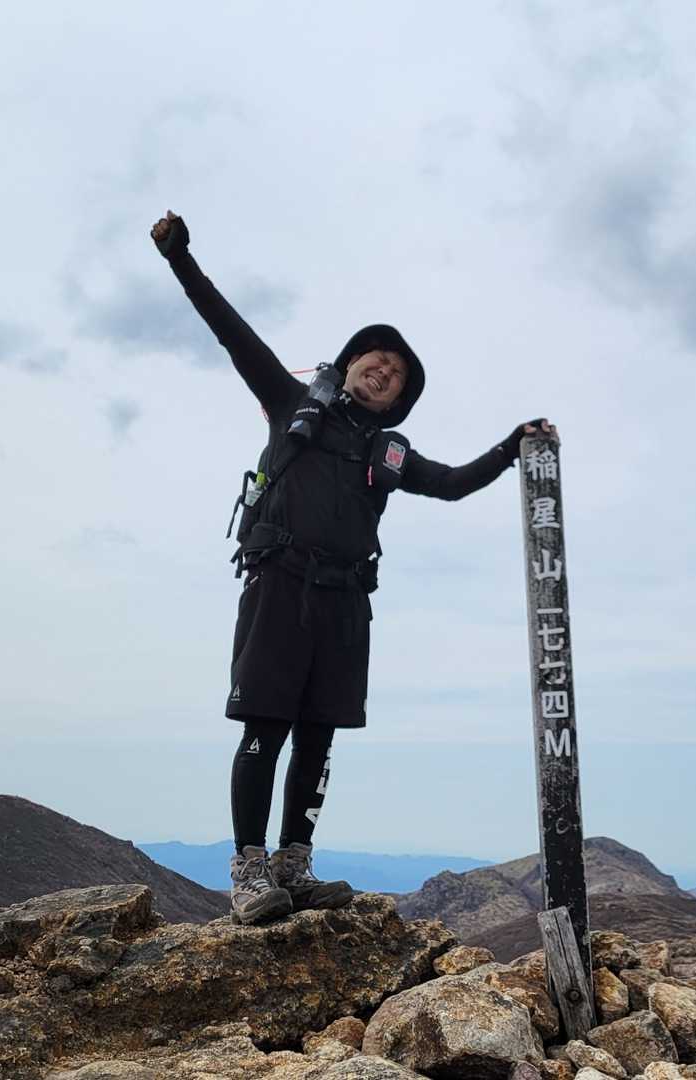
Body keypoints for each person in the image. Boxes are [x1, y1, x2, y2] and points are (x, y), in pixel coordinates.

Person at [151, 211, 554, 925]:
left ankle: (293, 866)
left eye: (396, 374)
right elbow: (230, 331)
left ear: (399, 400)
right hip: (280, 585)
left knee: (319, 735)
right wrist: (181, 257)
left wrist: (510, 446)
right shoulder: (291, 403)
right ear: (352, 361)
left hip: (344, 602)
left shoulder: (389, 454)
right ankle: (248, 872)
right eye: (376, 357)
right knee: (264, 727)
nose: (384, 369)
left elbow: (453, 483)